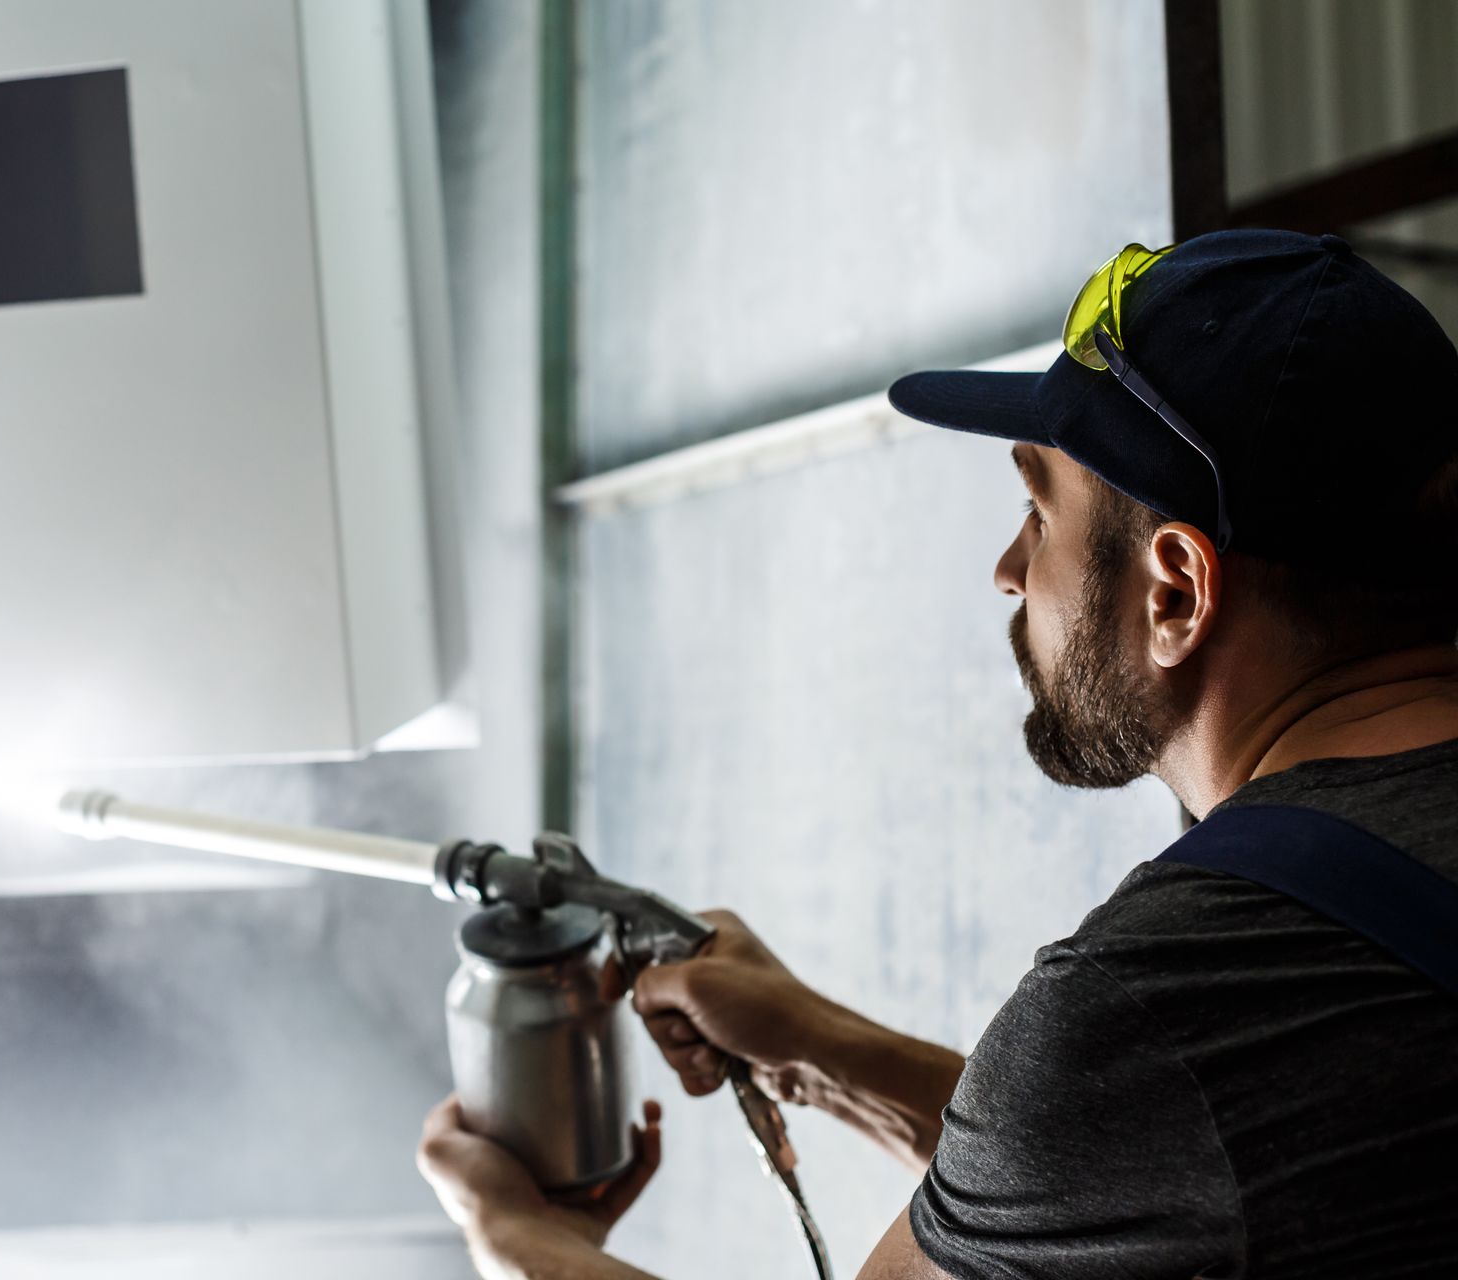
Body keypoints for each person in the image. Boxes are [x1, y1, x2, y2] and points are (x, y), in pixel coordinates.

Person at [415, 228, 1458, 1278]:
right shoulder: (1223, 1016)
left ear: (1175, 592)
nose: (1010, 570)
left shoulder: (1164, 1002)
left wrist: (513, 1232)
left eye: (1038, 510)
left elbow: (1136, 1118)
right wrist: (823, 1048)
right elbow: (1162, 1172)